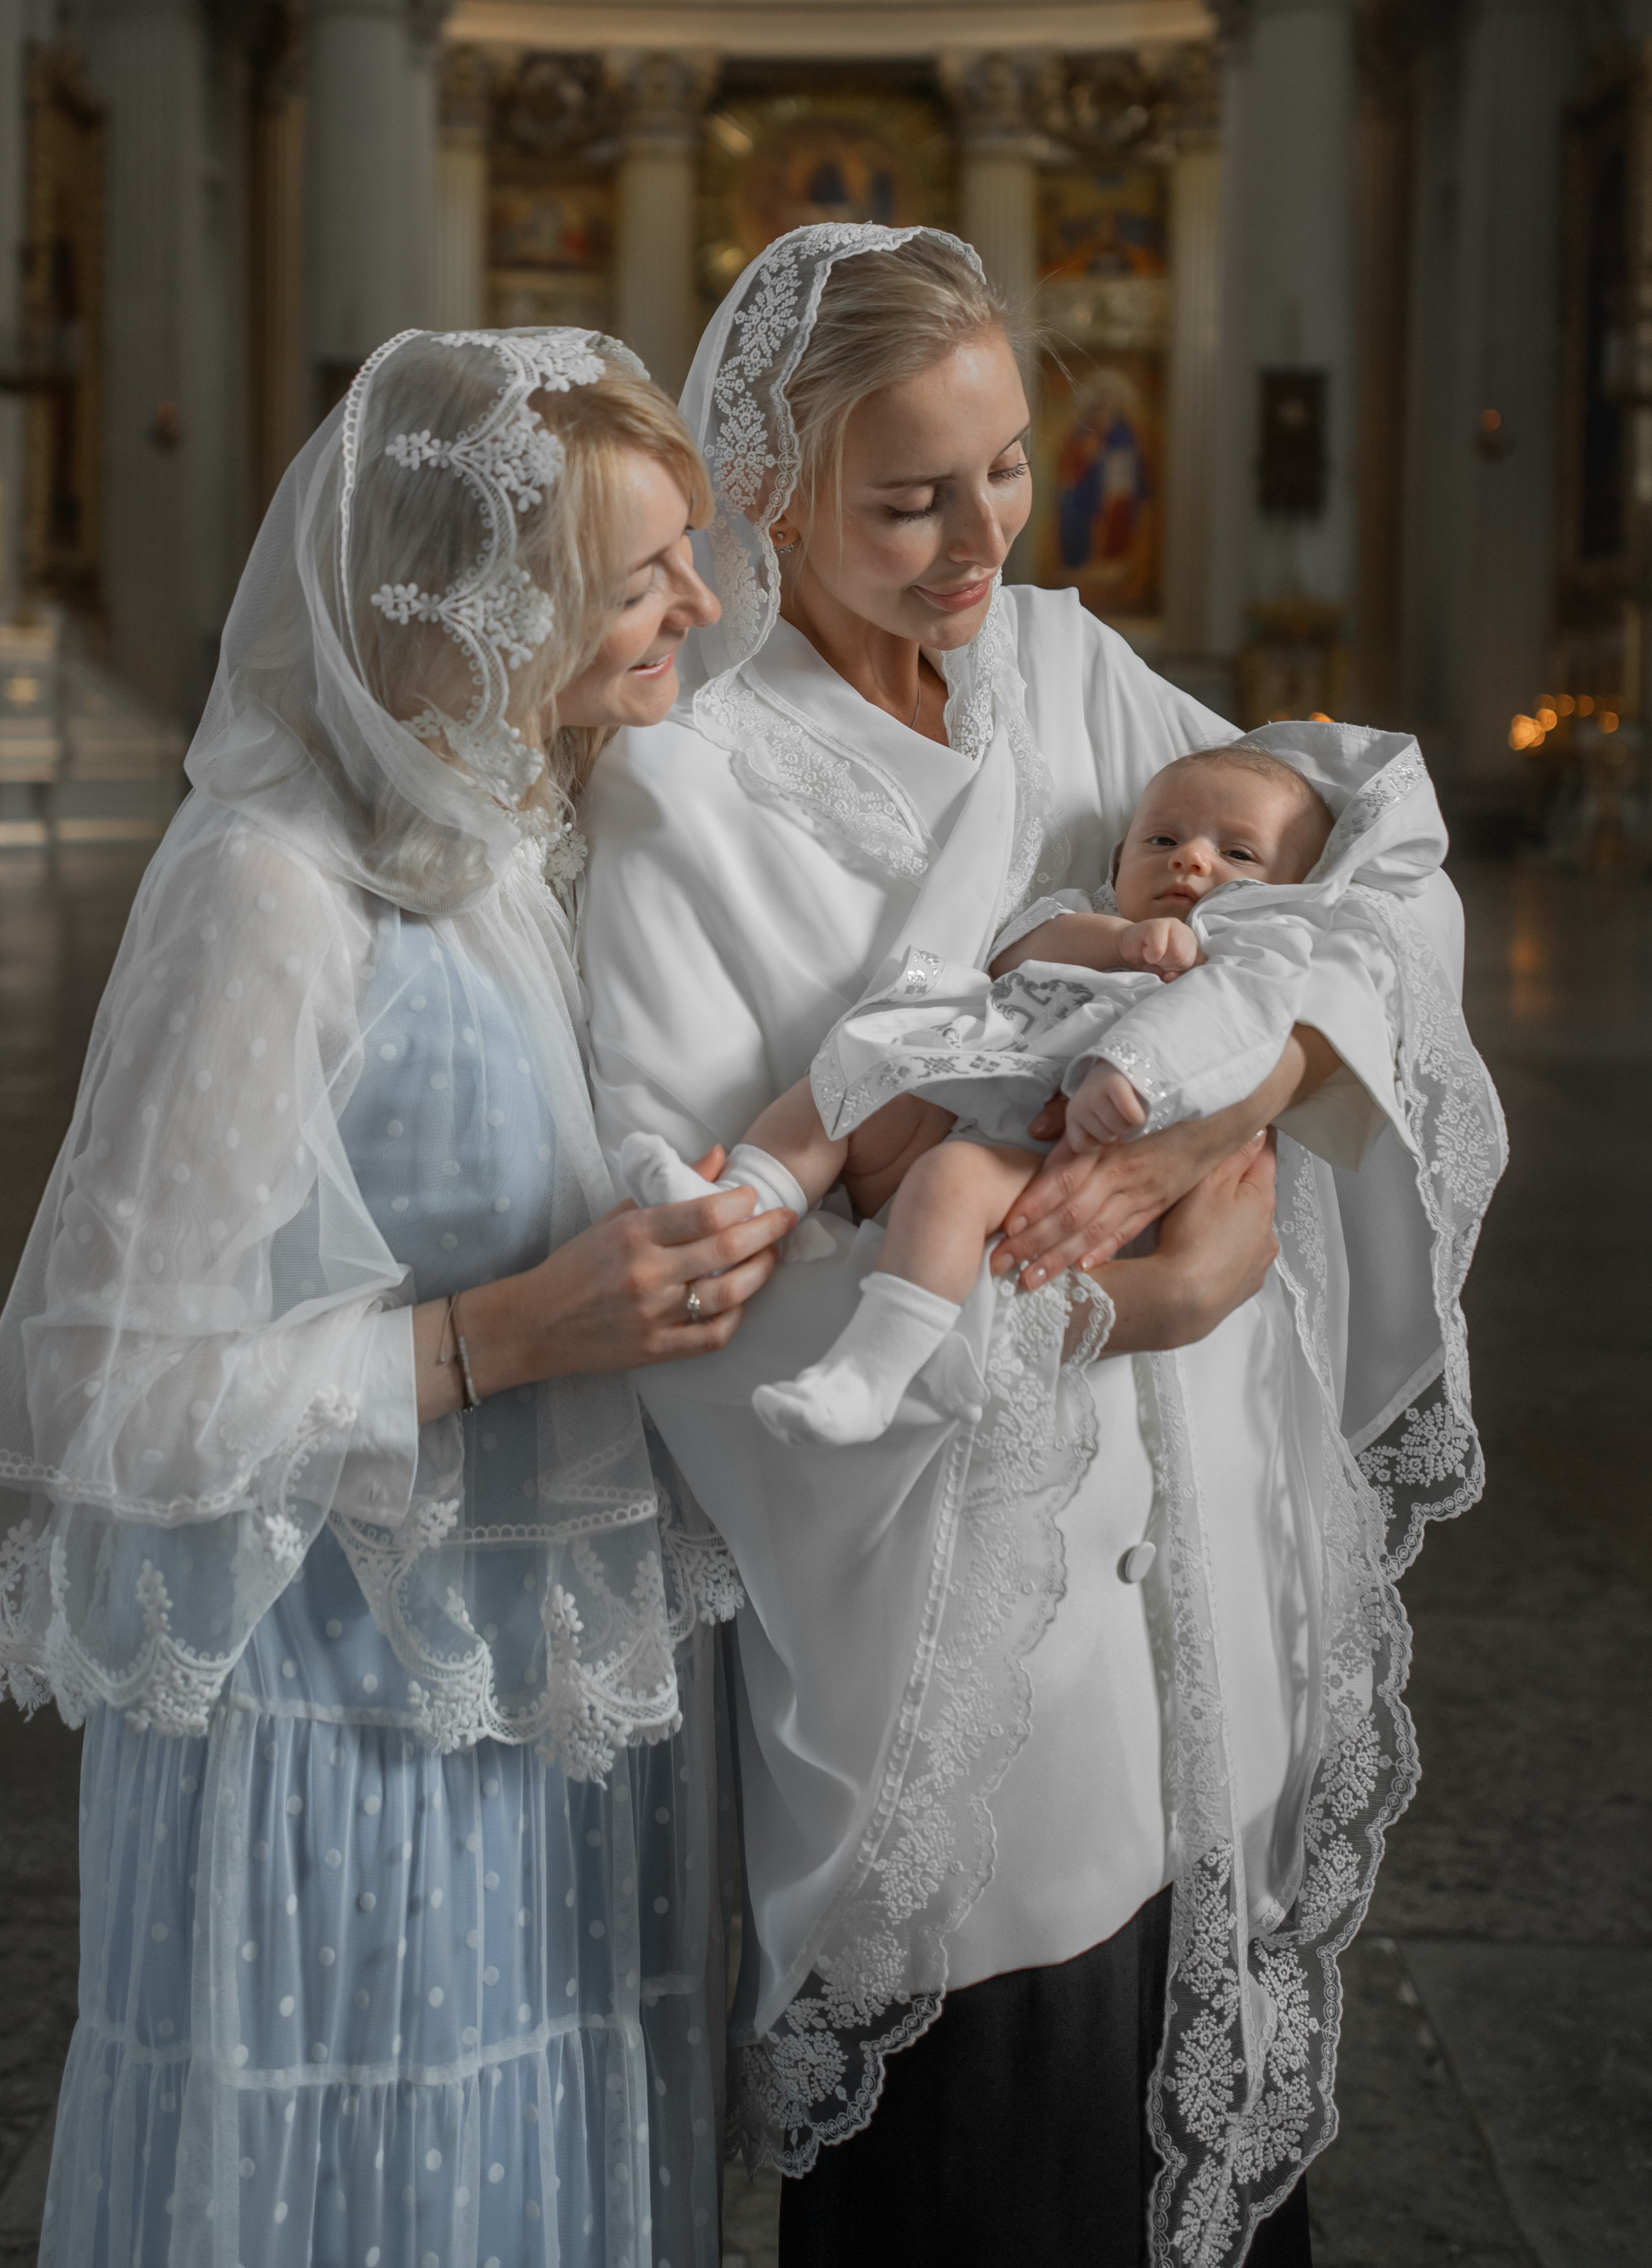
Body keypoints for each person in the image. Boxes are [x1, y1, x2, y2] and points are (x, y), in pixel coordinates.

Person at [579, 226, 1504, 2268]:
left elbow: (1366, 874)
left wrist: (1244, 1094)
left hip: (1200, 1524)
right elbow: (700, 1241)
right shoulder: (684, 789)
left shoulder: (1078, 667)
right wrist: (1113, 1293)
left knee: (1209, 2070)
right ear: (770, 485)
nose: (985, 533)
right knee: (1008, 2130)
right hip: (951, 1564)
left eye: (1005, 467)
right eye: (910, 498)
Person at [0, 327, 799, 2268]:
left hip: (520, 1715)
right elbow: (111, 1400)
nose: (700, 605)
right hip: (337, 1745)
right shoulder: (272, 890)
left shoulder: (508, 841)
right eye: (646, 577)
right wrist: (512, 1335)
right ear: (491, 604)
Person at [618, 734, 1374, 1447]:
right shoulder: (1097, 920)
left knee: (950, 1180)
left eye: (1236, 852)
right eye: (1162, 840)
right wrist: (1116, 943)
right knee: (850, 1074)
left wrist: (1129, 1075)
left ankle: (872, 1376)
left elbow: (1221, 1044)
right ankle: (744, 1204)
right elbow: (1017, 952)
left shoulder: (1255, 966)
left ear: (1290, 894)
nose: (1191, 861)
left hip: (1056, 1151)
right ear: (1119, 860)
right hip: (975, 1082)